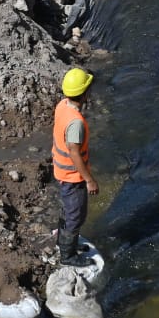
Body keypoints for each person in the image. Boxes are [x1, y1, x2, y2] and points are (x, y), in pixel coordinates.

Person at [53, 67, 99, 268]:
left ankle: (64, 243)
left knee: (67, 211)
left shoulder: (62, 105)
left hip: (60, 171)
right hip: (72, 177)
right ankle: (68, 255)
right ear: (85, 92)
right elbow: (74, 151)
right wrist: (89, 180)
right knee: (75, 214)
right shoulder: (76, 123)